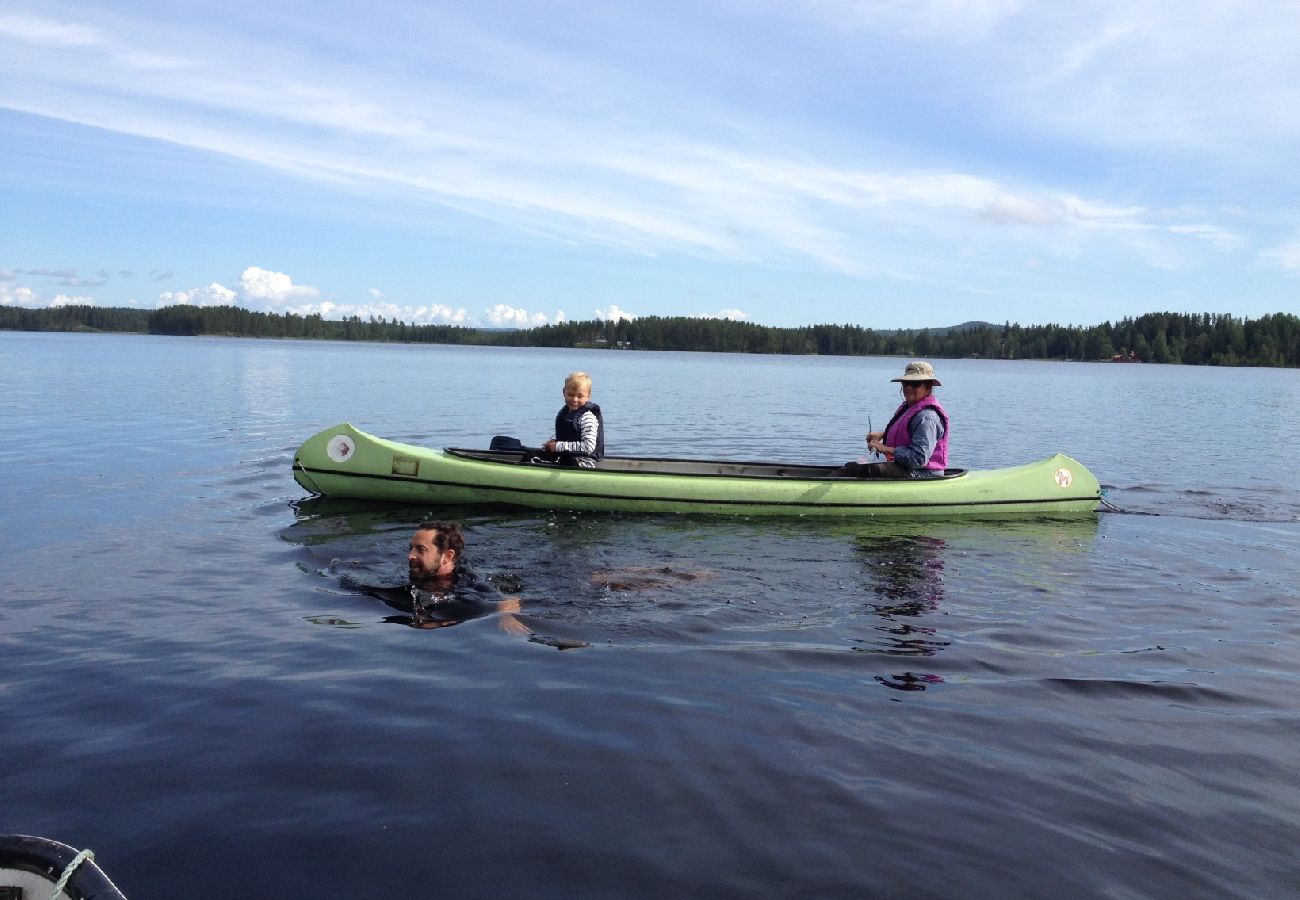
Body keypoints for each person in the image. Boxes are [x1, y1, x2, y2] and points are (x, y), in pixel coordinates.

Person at [369, 521, 525, 632]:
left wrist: (506, 615)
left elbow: (507, 601)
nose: (410, 556)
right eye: (411, 549)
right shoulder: (414, 574)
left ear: (447, 556)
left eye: (420, 550)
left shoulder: (467, 580)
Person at [834, 361, 949, 479]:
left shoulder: (927, 417)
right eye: (906, 383)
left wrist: (885, 449)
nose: (908, 387)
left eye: (915, 384)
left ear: (928, 387)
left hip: (923, 474)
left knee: (868, 469)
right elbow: (910, 432)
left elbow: (917, 459)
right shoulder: (910, 407)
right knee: (853, 467)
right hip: (905, 468)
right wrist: (883, 435)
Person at [539, 371, 604, 468]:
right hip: (566, 460)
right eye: (570, 394)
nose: (574, 399)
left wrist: (558, 446)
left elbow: (588, 447)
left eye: (580, 396)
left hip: (581, 464)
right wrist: (553, 444)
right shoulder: (566, 414)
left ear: (588, 396)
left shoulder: (587, 418)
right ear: (564, 393)